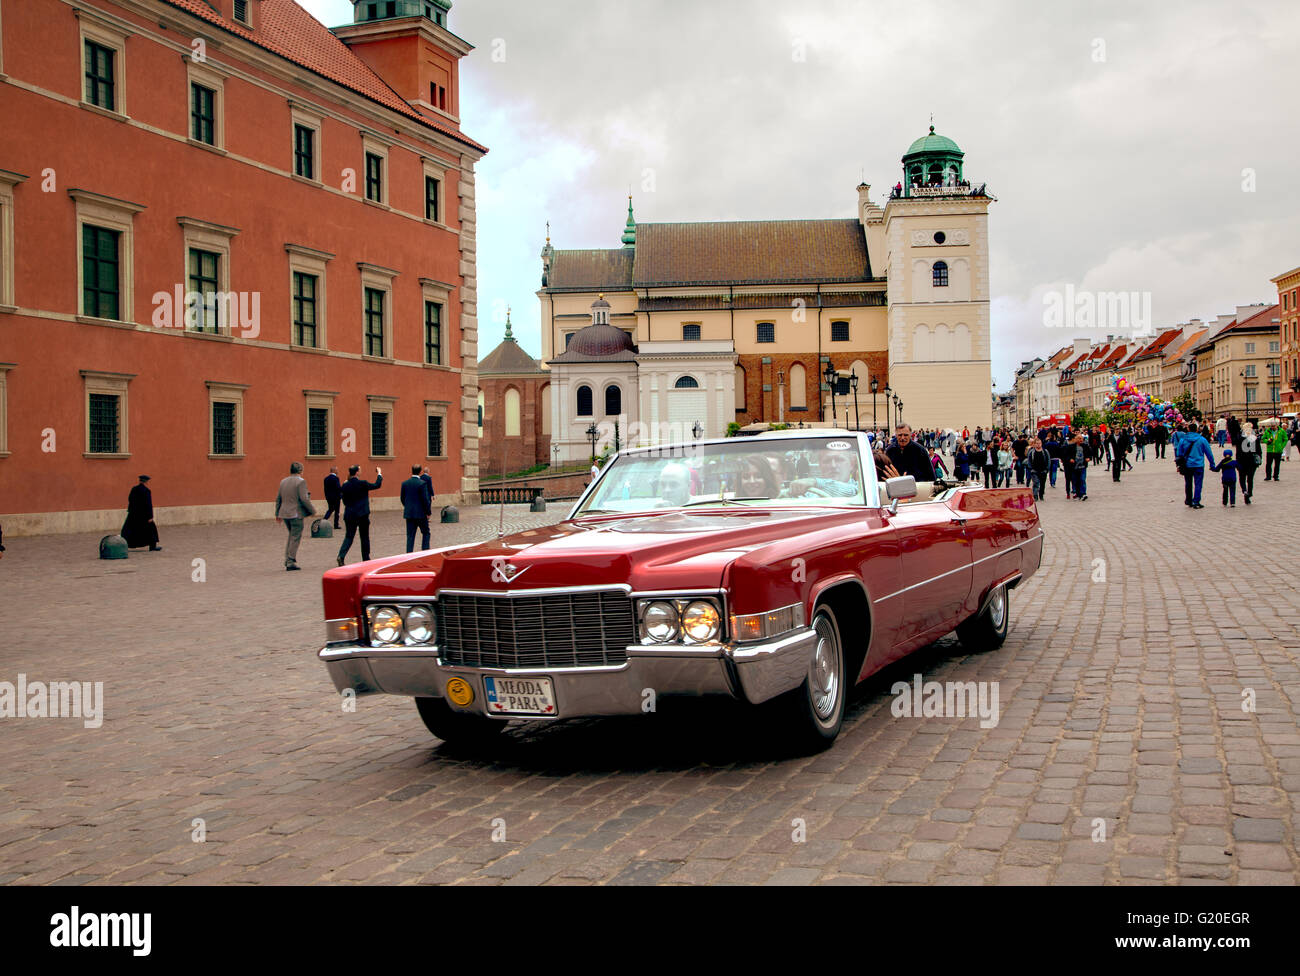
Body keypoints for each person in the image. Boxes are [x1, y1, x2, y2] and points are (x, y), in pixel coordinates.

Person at [337, 464, 383, 565]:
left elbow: (344, 500)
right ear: (357, 472)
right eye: (360, 470)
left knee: (349, 536)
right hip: (362, 514)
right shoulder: (362, 483)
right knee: (364, 537)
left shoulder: (345, 485)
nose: (361, 471)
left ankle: (341, 555)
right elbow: (377, 485)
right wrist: (379, 473)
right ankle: (366, 558)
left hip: (349, 514)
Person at [275, 461, 316, 571]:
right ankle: (290, 560)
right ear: (300, 470)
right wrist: (312, 510)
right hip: (295, 513)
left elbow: (278, 498)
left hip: (284, 513)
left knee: (291, 536)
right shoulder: (301, 482)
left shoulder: (283, 481)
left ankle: (287, 558)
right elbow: (304, 498)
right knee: (295, 537)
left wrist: (277, 514)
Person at [1175, 425, 1215, 509]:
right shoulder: (1202, 439)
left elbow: (1179, 453)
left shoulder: (1183, 439)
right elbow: (1209, 453)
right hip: (1198, 464)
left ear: (1188, 429)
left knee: (1188, 483)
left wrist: (1178, 464)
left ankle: (1189, 500)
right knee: (1198, 484)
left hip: (1187, 465)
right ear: (1197, 430)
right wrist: (1212, 464)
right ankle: (1196, 501)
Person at [122, 475, 161, 551]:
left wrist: (131, 510)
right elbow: (148, 504)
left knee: (129, 529)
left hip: (133, 514)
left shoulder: (134, 489)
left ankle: (125, 544)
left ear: (140, 481)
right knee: (151, 529)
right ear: (146, 482)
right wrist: (150, 516)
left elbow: (130, 500)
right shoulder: (146, 491)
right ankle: (152, 546)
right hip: (144, 515)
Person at [401, 464, 433, 553]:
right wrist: (428, 512)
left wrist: (408, 507)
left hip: (409, 513)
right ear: (420, 472)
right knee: (426, 533)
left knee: (410, 536)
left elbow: (402, 499)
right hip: (421, 514)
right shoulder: (422, 484)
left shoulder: (405, 483)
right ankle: (425, 552)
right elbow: (425, 500)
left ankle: (409, 554)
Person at [1238, 424, 1261, 504]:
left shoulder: (1240, 439)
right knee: (1250, 479)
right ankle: (1250, 493)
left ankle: (1244, 490)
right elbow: (1259, 451)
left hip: (1242, 461)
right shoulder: (1255, 439)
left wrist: (1237, 462)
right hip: (1252, 462)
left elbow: (1238, 452)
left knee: (1242, 478)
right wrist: (1258, 461)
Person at [1070, 434, 1089, 501]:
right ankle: (1078, 494)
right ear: (1076, 439)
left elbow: (1090, 453)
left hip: (1083, 466)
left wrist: (1088, 458)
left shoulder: (1085, 446)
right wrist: (1070, 459)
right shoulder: (1072, 446)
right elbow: (1067, 454)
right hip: (1075, 467)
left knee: (1082, 479)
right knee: (1076, 480)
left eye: (1081, 439)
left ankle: (1083, 493)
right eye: (1079, 438)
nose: (1081, 440)